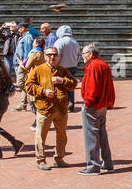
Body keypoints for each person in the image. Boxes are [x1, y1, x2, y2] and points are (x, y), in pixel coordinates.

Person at [25, 45, 78, 168]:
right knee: (40, 136)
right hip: (45, 108)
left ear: (58, 57)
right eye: (49, 54)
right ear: (45, 56)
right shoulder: (38, 70)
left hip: (61, 108)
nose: (52, 57)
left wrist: (63, 81)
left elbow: (74, 83)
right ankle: (41, 160)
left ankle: (59, 158)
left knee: (62, 136)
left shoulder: (62, 70)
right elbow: (28, 86)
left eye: (54, 54)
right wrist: (44, 92)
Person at [79, 43, 115, 173]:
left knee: (91, 136)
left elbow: (92, 88)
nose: (82, 56)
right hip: (102, 104)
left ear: (90, 54)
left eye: (83, 54)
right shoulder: (102, 64)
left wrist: (87, 102)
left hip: (94, 105)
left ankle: (93, 165)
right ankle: (107, 162)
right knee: (101, 134)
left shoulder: (93, 66)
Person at [53, 25, 81, 110]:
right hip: (73, 66)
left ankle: (64, 105)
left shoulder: (59, 42)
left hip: (62, 67)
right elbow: (78, 55)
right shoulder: (75, 42)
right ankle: (71, 105)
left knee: (61, 86)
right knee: (70, 86)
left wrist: (55, 66)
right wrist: (75, 62)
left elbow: (57, 55)